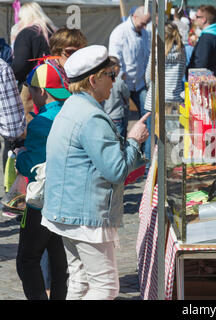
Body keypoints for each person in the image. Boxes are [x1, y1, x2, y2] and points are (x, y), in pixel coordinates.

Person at [40, 45, 149, 300]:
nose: (114, 80)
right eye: (110, 74)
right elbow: (117, 170)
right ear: (93, 79)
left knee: (80, 281)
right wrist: (134, 140)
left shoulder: (72, 107)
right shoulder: (91, 116)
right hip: (84, 215)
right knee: (105, 287)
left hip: (65, 210)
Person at [15, 62, 71, 300]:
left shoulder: (39, 123)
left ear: (42, 91)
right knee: (59, 262)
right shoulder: (70, 113)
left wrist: (20, 157)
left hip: (42, 201)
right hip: (67, 199)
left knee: (27, 260)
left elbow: (34, 165)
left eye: (31, 90)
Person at [109, 5, 151, 164]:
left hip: (140, 82)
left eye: (147, 23)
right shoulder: (119, 32)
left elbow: (147, 55)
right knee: (121, 120)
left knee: (147, 114)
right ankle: (124, 154)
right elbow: (114, 57)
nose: (144, 26)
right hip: (124, 82)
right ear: (133, 17)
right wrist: (119, 76)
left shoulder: (145, 33)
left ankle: (142, 152)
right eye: (143, 23)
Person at [144, 22, 186, 112]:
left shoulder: (156, 51)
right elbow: (182, 73)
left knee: (153, 126)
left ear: (164, 35)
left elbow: (149, 75)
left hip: (155, 99)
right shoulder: (181, 51)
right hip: (174, 99)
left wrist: (150, 87)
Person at [185, 5, 216, 78]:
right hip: (214, 78)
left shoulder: (206, 38)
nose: (195, 19)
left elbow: (200, 64)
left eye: (197, 17)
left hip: (203, 83)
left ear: (204, 19)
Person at [103, 56, 130, 138]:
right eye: (119, 67)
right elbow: (127, 95)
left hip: (105, 116)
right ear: (115, 67)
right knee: (120, 142)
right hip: (117, 117)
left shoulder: (102, 81)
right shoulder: (119, 81)